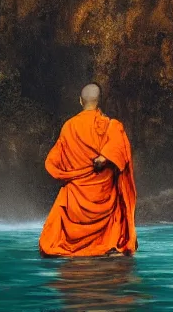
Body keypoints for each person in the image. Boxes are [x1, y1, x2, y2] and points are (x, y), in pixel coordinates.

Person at [39, 83, 138, 256]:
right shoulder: (111, 126)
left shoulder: (68, 127)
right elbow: (120, 149)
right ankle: (106, 247)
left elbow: (54, 161)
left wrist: (70, 173)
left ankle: (75, 251)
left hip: (75, 204)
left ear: (80, 101)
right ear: (100, 102)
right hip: (103, 199)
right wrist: (104, 157)